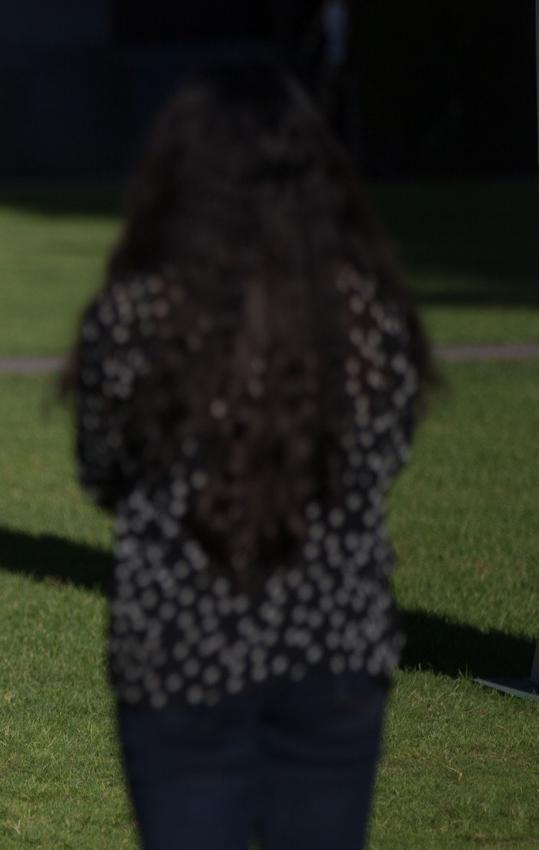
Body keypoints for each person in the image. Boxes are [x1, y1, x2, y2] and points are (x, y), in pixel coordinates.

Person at [67, 67, 434, 850]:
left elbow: (101, 468)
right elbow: (387, 450)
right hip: (334, 650)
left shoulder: (135, 316)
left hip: (180, 656)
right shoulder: (367, 313)